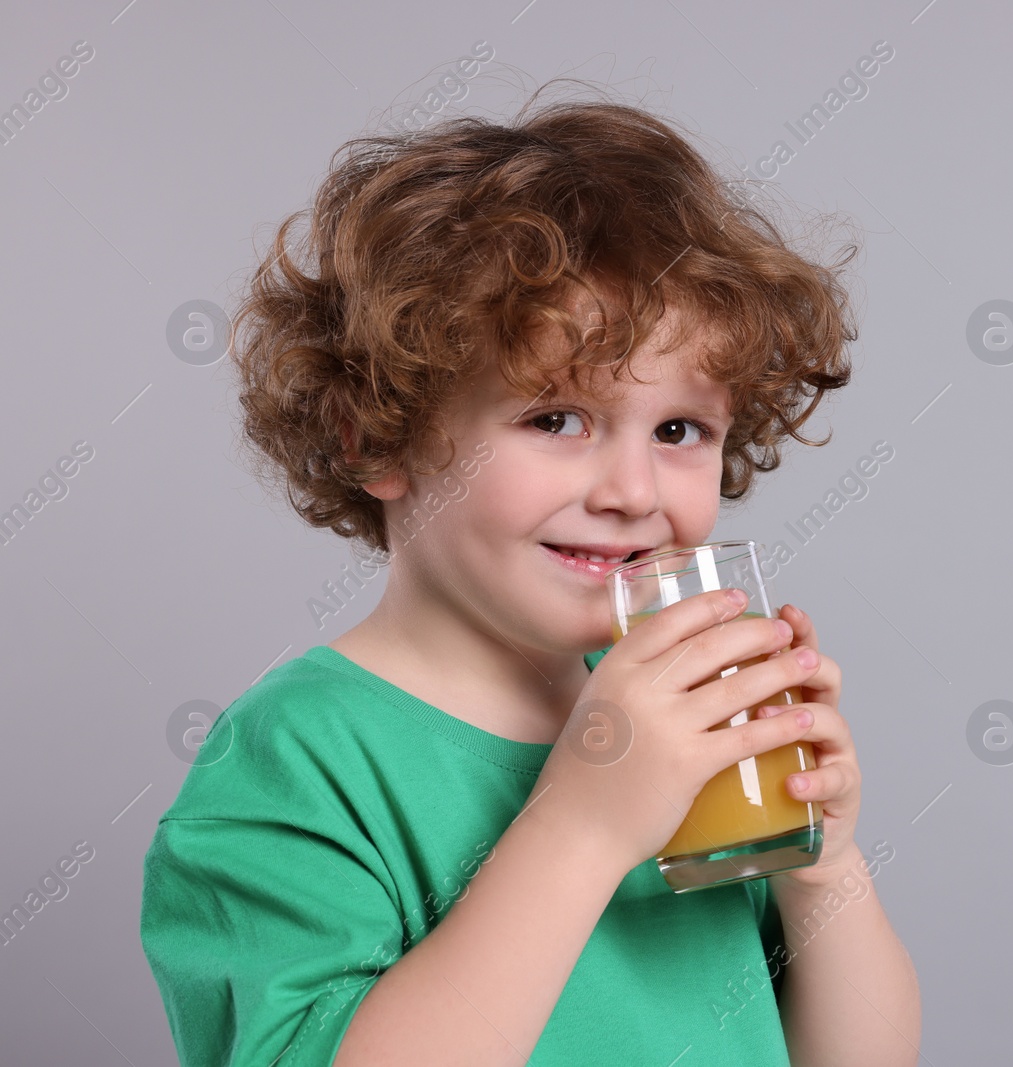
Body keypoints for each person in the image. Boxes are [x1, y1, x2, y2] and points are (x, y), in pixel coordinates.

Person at [139, 86, 921, 1066]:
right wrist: (585, 824)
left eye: (678, 430)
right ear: (377, 437)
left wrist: (822, 861)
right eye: (555, 418)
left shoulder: (686, 724)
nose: (632, 489)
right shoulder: (294, 761)